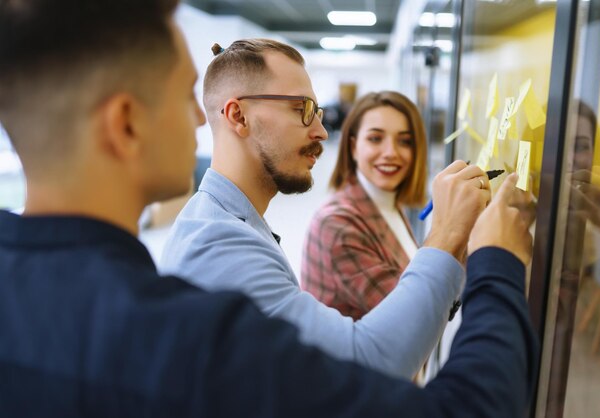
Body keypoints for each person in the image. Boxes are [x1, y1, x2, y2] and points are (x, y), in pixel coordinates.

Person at [0, 1, 538, 416]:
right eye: (186, 95)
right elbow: (445, 398)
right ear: (126, 123)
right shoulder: (183, 323)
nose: (196, 118)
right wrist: (490, 259)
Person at [160, 39, 493, 379]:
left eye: (316, 113)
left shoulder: (229, 222)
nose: (320, 131)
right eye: (301, 109)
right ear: (238, 115)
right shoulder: (219, 246)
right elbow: (370, 361)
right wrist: (448, 232)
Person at [301, 91, 430, 320]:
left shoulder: (387, 202)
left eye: (405, 141)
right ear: (353, 148)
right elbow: (417, 313)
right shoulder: (337, 224)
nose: (391, 153)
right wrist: (452, 227)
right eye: (375, 139)